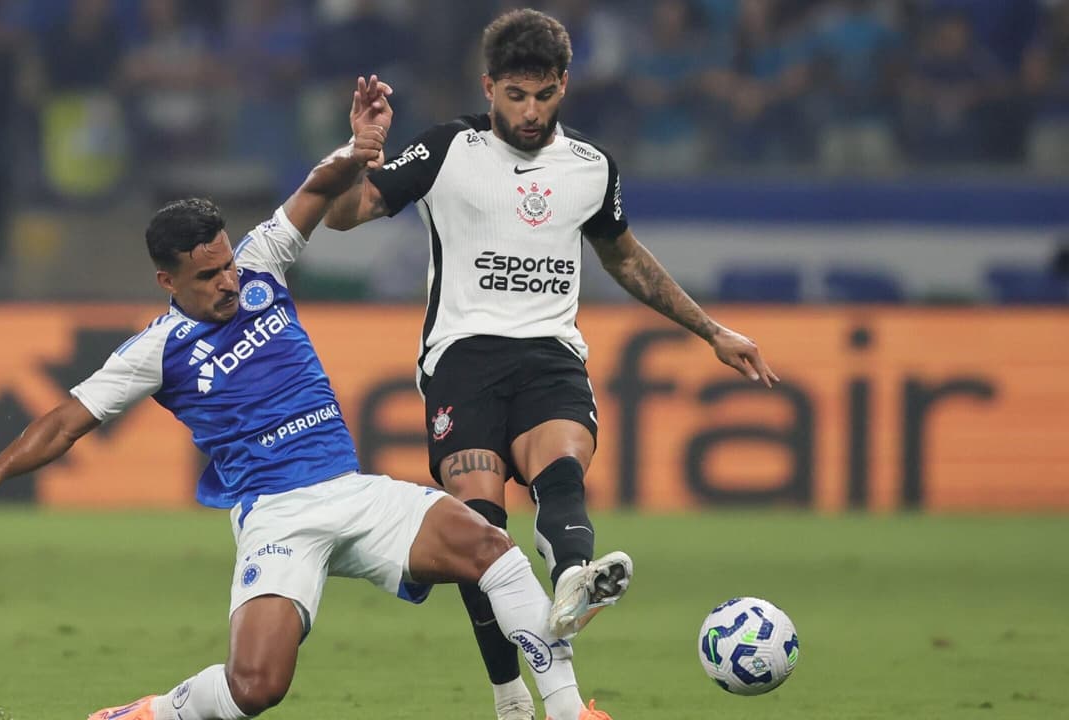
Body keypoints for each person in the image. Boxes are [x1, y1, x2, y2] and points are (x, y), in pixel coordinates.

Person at [0, 77, 613, 720]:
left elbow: (315, 191)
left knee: (493, 548)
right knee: (257, 687)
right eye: (208, 275)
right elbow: (67, 420)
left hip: (352, 490)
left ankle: (566, 710)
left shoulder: (262, 263)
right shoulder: (157, 351)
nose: (227, 280)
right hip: (277, 518)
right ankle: (154, 712)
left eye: (226, 263)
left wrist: (360, 146)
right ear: (168, 280)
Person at [325, 10, 779, 720]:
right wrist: (361, 150)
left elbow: (624, 257)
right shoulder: (448, 147)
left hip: (550, 355)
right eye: (515, 95)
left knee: (561, 470)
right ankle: (511, 696)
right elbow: (342, 215)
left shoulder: (590, 169)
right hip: (462, 359)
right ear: (490, 86)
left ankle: (572, 582)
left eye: (543, 95)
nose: (530, 111)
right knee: (480, 530)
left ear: (564, 86)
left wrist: (709, 329)